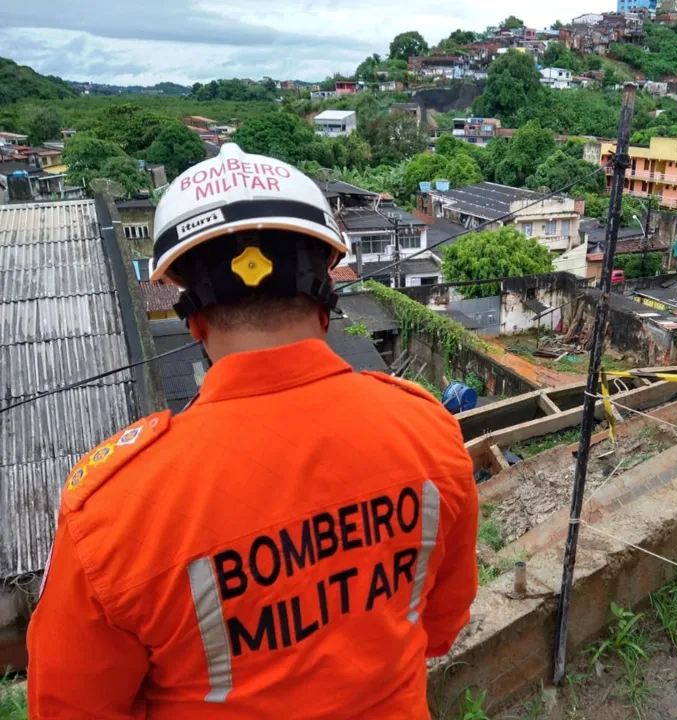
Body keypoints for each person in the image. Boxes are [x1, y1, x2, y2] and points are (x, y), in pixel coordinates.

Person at [27, 143, 479, 719]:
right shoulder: (427, 429)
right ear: (326, 304)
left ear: (192, 319)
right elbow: (438, 629)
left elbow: (69, 709)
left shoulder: (114, 510)